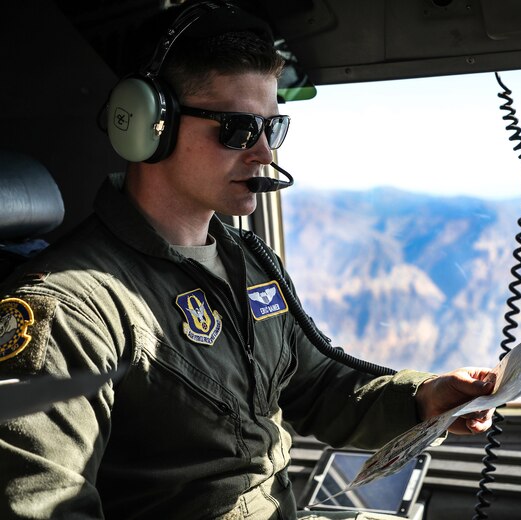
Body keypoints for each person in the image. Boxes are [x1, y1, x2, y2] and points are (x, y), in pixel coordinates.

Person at [0, 2, 494, 518]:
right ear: (148, 126)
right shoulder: (69, 309)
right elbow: (44, 505)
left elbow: (314, 383)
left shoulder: (247, 258)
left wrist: (423, 399)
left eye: (272, 129)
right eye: (237, 128)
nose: (265, 153)